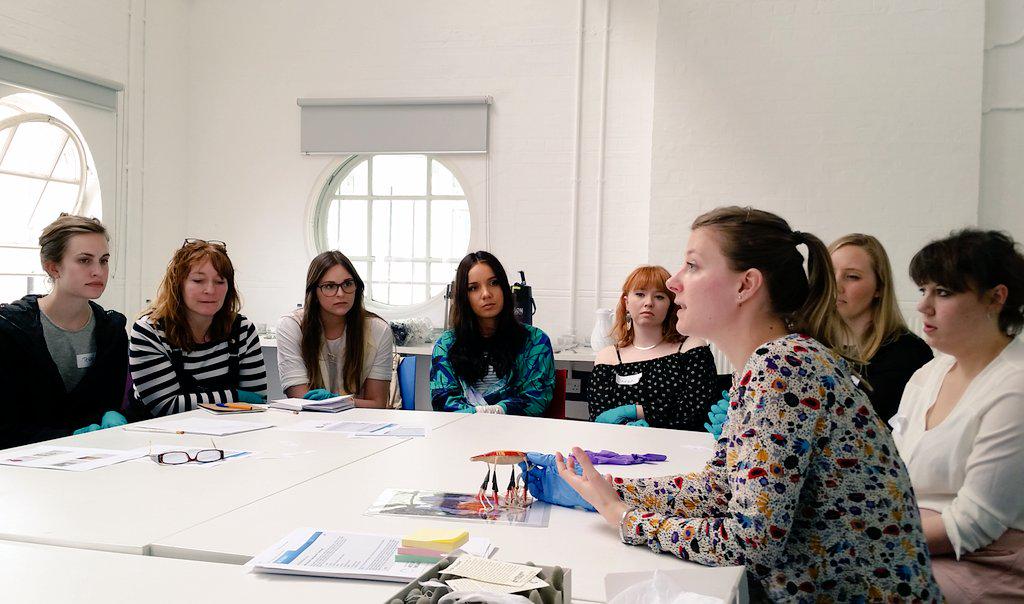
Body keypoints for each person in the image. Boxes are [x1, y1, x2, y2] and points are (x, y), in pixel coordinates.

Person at [549, 207, 939, 601]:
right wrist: (609, 489)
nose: (674, 282)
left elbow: (751, 541)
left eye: (692, 266)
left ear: (746, 285)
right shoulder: (766, 363)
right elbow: (720, 488)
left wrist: (625, 517)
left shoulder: (785, 367)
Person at [891, 229, 1024, 602]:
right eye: (923, 290)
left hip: (988, 563)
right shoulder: (927, 375)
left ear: (996, 298)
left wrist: (876, 537)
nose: (923, 306)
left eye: (944, 293)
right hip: (916, 541)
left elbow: (974, 524)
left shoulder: (1015, 387)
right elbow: (892, 476)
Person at [0, 215, 128, 449]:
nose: (98, 271)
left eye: (104, 260)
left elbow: (107, 405)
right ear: (53, 267)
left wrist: (112, 414)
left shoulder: (112, 332)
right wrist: (69, 436)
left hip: (96, 459)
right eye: (84, 260)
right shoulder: (9, 331)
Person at [128, 239, 266, 416]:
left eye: (220, 281)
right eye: (198, 280)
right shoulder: (150, 331)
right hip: (160, 438)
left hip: (228, 436)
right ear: (178, 285)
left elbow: (257, 402)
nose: (210, 290)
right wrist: (236, 397)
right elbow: (166, 407)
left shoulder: (242, 330)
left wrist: (203, 401)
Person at [587, 265, 717, 430]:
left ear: (671, 305)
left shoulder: (691, 348)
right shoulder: (608, 356)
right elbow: (599, 417)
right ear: (626, 302)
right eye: (640, 294)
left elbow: (697, 410)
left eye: (659, 297)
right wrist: (628, 425)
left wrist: (634, 411)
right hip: (620, 447)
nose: (648, 303)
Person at [431, 251, 554, 415]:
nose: (486, 294)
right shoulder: (446, 345)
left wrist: (496, 411)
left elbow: (536, 399)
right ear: (463, 296)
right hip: (462, 433)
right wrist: (482, 416)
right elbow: (442, 401)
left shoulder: (536, 341)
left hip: (519, 434)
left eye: (494, 283)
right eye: (473, 288)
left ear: (504, 288)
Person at [829, 233, 932, 420]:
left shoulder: (908, 354)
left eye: (852, 277)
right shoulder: (809, 345)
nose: (835, 285)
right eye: (828, 273)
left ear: (879, 288)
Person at [276, 251, 393, 407]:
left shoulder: (378, 330)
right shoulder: (291, 326)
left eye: (348, 284)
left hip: (359, 421)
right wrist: (341, 402)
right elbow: (300, 400)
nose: (341, 293)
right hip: (308, 423)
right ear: (314, 292)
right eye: (329, 286)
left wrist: (339, 400)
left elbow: (378, 403)